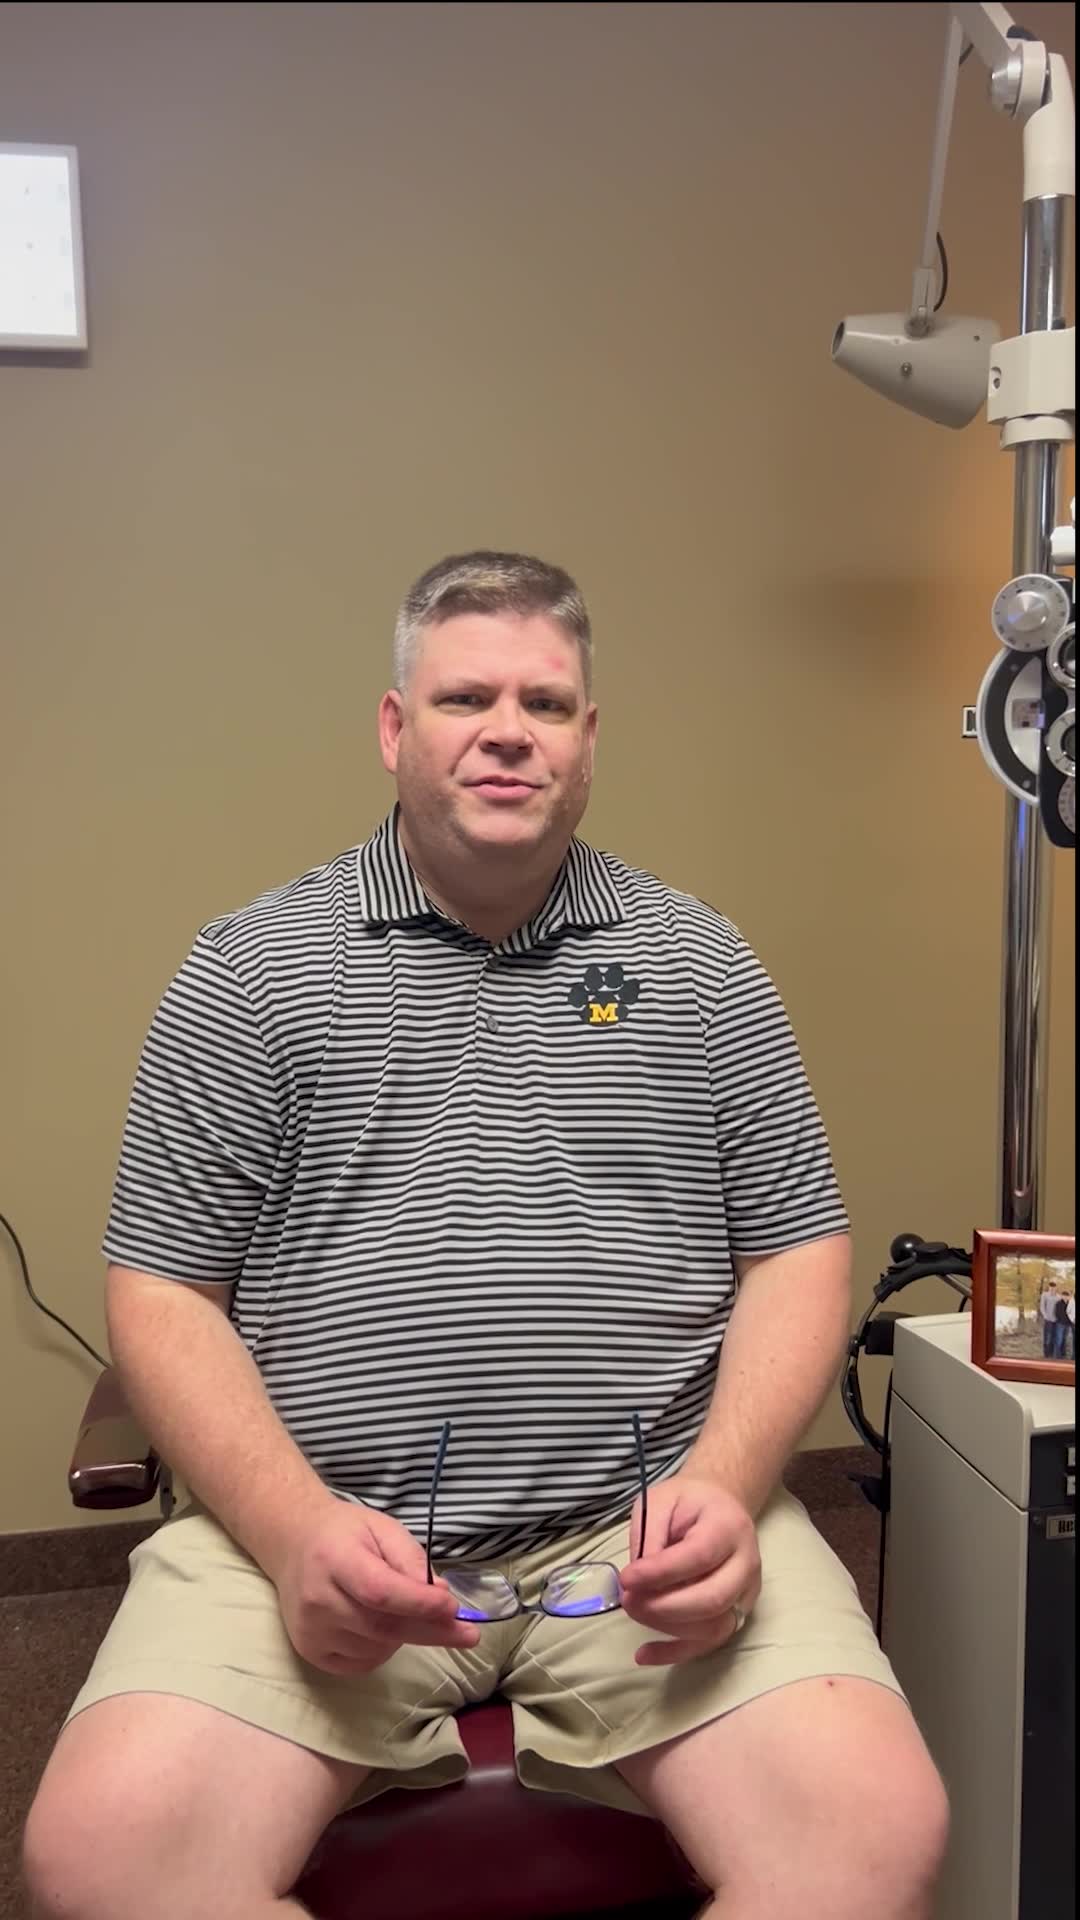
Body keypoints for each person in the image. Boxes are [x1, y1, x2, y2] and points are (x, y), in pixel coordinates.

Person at [23, 552, 948, 1920]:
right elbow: (162, 1288)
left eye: (546, 702)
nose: (509, 730)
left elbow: (796, 1247)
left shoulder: (700, 966)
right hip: (321, 1520)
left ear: (589, 739)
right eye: (467, 698)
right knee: (106, 1859)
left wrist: (726, 1480)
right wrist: (292, 1531)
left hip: (639, 1532)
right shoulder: (251, 971)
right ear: (395, 728)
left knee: (873, 1840)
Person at [1039, 1279, 1061, 1358]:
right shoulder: (1045, 1295)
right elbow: (1042, 1306)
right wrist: (1045, 1316)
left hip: (1056, 1320)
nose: (1052, 1287)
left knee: (1054, 1337)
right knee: (1047, 1337)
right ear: (1049, 1287)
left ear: (1056, 1287)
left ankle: (1051, 1354)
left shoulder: (1058, 1297)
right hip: (1048, 1319)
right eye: (1051, 1286)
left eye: (1054, 1286)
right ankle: (1046, 1354)